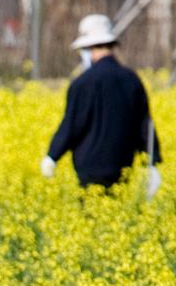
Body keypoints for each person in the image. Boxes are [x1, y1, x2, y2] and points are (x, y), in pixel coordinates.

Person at [41, 14, 162, 197]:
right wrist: (152, 163)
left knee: (91, 218)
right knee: (116, 217)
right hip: (122, 169)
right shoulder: (132, 80)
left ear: (88, 49)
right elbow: (145, 124)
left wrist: (52, 156)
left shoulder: (83, 83)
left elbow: (72, 125)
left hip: (89, 170)